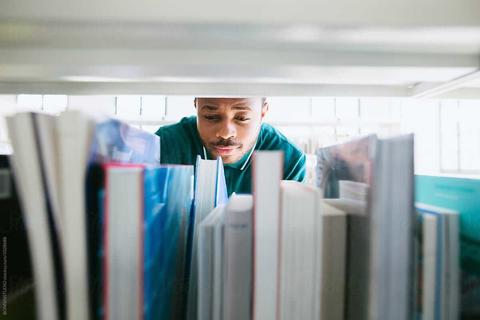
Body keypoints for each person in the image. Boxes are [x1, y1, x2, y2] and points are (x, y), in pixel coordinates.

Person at [155, 97, 306, 195]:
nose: (225, 133)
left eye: (242, 118)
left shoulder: (288, 158)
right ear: (196, 105)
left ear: (263, 111)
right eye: (210, 117)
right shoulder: (165, 144)